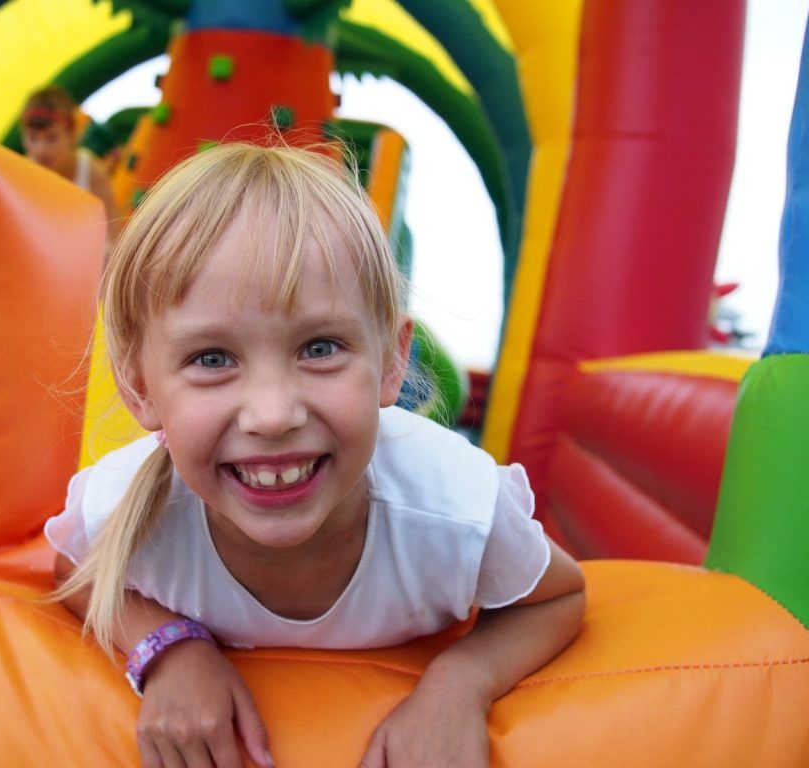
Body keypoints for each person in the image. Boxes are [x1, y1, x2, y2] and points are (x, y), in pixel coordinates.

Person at [45, 142, 586, 768]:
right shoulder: (126, 508)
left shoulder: (456, 513)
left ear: (392, 359)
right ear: (140, 387)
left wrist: (461, 683)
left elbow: (558, 597)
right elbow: (72, 570)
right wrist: (169, 648)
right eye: (212, 359)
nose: (273, 415)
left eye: (321, 347)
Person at [20, 85, 121, 240]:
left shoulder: (90, 171)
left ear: (71, 135)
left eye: (52, 138)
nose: (41, 150)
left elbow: (114, 233)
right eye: (33, 138)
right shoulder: (21, 174)